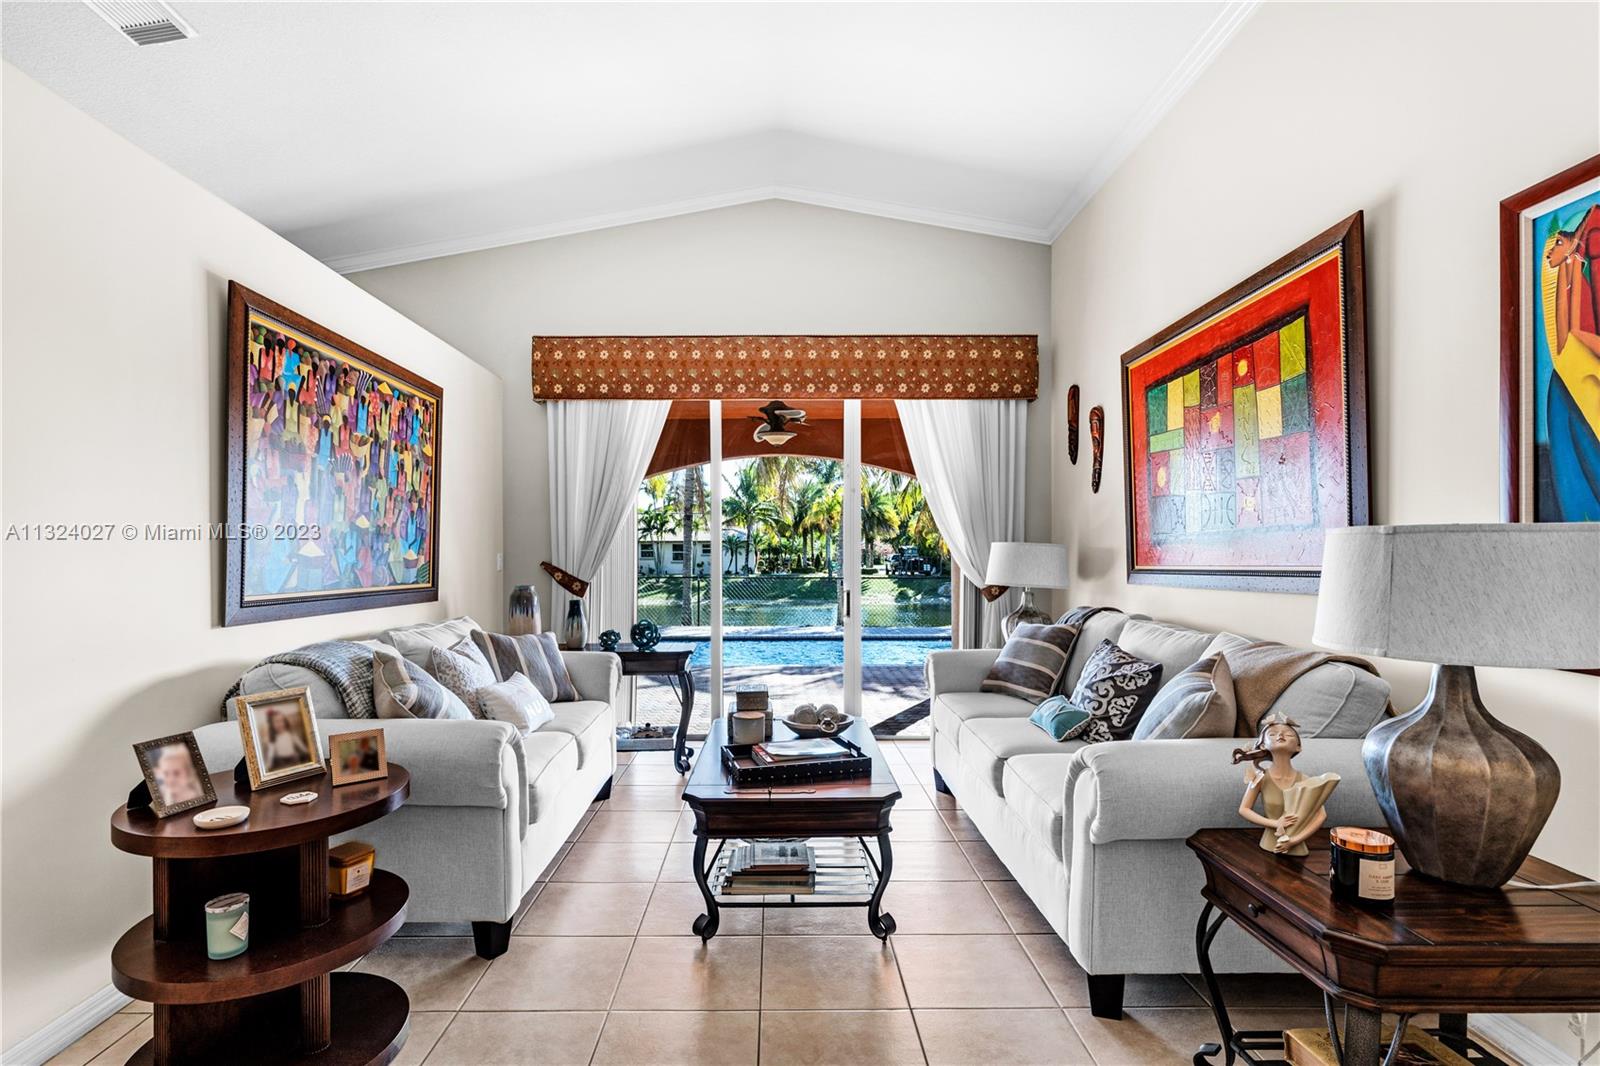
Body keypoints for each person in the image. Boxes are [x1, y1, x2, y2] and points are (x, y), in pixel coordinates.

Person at [1233, 714, 1325, 855]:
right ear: (1263, 745)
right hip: (1269, 844)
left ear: (1298, 747)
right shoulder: (1260, 778)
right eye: (1272, 734)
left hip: (1296, 847)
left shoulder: (1305, 780)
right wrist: (1275, 823)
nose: (1281, 735)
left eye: (1289, 734)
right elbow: (1244, 809)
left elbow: (1321, 816)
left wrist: (1294, 841)